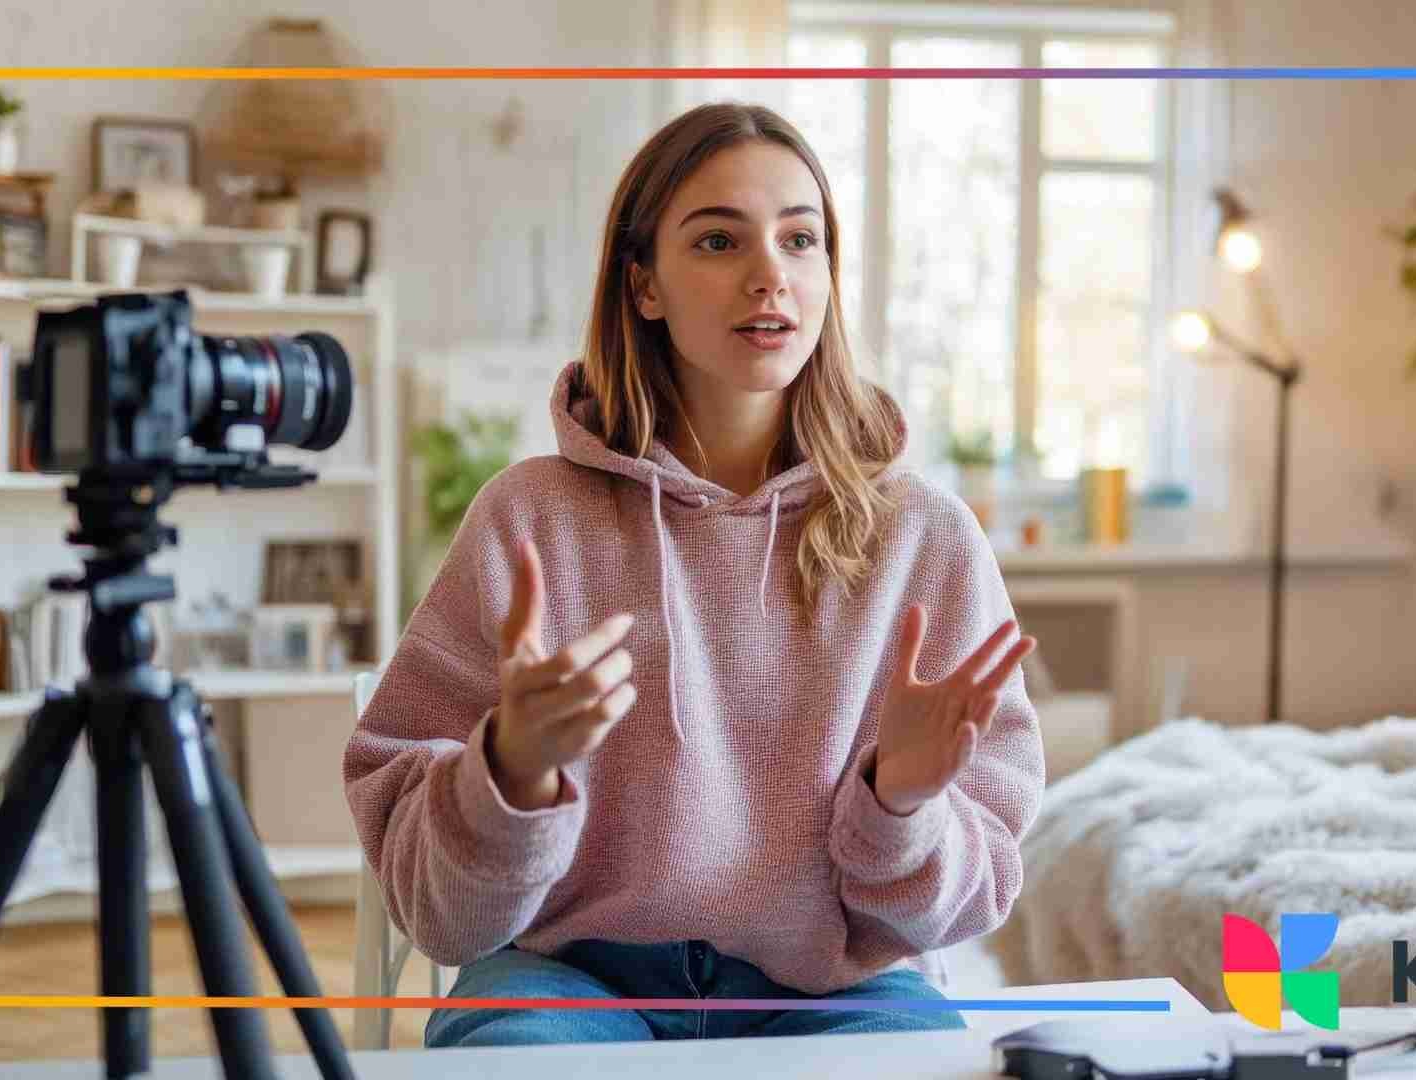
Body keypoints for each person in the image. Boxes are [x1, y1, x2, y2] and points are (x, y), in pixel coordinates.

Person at [343, 101, 1045, 1048]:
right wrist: (507, 769)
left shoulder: (924, 536)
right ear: (644, 288)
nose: (769, 275)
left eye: (802, 240)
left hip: (838, 989)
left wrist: (903, 804)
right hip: (566, 978)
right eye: (719, 240)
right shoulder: (530, 517)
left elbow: (965, 902)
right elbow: (442, 918)